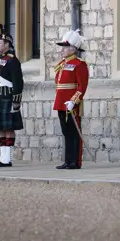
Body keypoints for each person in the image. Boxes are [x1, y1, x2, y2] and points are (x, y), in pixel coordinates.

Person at [0, 25, 24, 168]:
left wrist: (16, 101)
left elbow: (18, 81)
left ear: (7, 44)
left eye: (0, 44)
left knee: (9, 128)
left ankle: (7, 158)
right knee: (0, 127)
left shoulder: (12, 60)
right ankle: (2, 156)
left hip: (8, 97)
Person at [54, 29, 89, 170]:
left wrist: (74, 101)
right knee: (66, 133)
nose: (62, 50)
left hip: (72, 104)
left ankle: (75, 161)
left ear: (73, 49)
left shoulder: (80, 64)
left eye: (65, 47)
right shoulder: (62, 64)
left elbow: (82, 86)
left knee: (74, 132)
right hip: (61, 103)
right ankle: (68, 160)